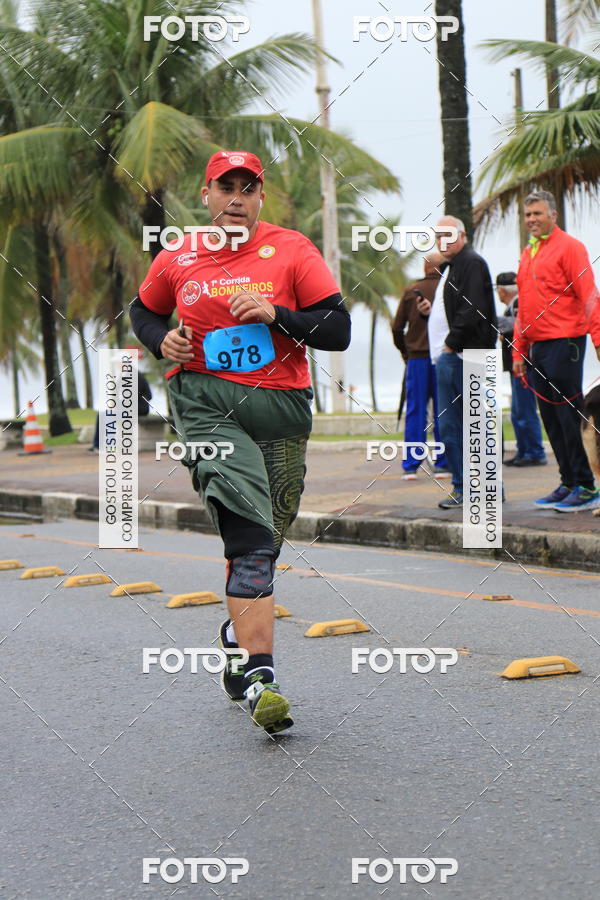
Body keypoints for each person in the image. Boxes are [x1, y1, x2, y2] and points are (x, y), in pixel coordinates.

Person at [131, 150, 351, 733]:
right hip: (204, 405)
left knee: (272, 531)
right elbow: (142, 309)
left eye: (247, 188)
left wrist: (278, 314)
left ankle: (234, 635)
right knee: (248, 535)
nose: (236, 198)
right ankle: (260, 675)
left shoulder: (293, 250)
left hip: (281, 406)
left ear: (260, 198)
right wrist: (161, 341)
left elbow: (339, 329)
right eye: (225, 187)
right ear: (206, 196)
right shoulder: (178, 254)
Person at [513, 190, 600, 512]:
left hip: (566, 342)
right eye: (527, 215)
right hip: (537, 346)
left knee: (568, 415)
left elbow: (589, 294)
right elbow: (523, 308)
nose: (531, 220)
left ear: (553, 215)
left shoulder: (571, 247)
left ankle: (587, 485)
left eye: (537, 213)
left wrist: (598, 339)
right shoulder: (528, 253)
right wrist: (518, 351)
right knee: (549, 417)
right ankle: (567, 481)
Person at [416, 216, 498, 509]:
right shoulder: (454, 266)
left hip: (465, 356)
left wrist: (450, 344)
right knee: (457, 427)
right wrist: (430, 313)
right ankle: (471, 487)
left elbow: (472, 310)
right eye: (438, 236)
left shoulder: (470, 262)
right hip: (455, 357)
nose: (442, 240)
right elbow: (453, 308)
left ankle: (475, 489)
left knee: (468, 427)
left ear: (462, 236)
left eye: (448, 235)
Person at [391, 253, 449, 479]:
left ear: (425, 267)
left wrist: (405, 351)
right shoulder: (448, 289)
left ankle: (411, 466)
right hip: (442, 357)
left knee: (415, 410)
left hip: (417, 359)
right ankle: (443, 463)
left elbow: (397, 327)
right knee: (442, 410)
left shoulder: (410, 291)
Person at [495, 272, 546, 467]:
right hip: (516, 365)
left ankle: (533, 451)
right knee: (518, 411)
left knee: (525, 410)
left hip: (522, 364)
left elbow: (520, 326)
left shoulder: (518, 305)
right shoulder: (513, 306)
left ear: (502, 290)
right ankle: (524, 450)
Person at [89, 349, 152, 451]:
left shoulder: (136, 376)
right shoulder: (123, 376)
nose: (116, 365)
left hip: (138, 410)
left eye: (117, 363)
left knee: (109, 416)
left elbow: (146, 396)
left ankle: (109, 446)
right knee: (102, 415)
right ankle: (98, 445)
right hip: (126, 409)